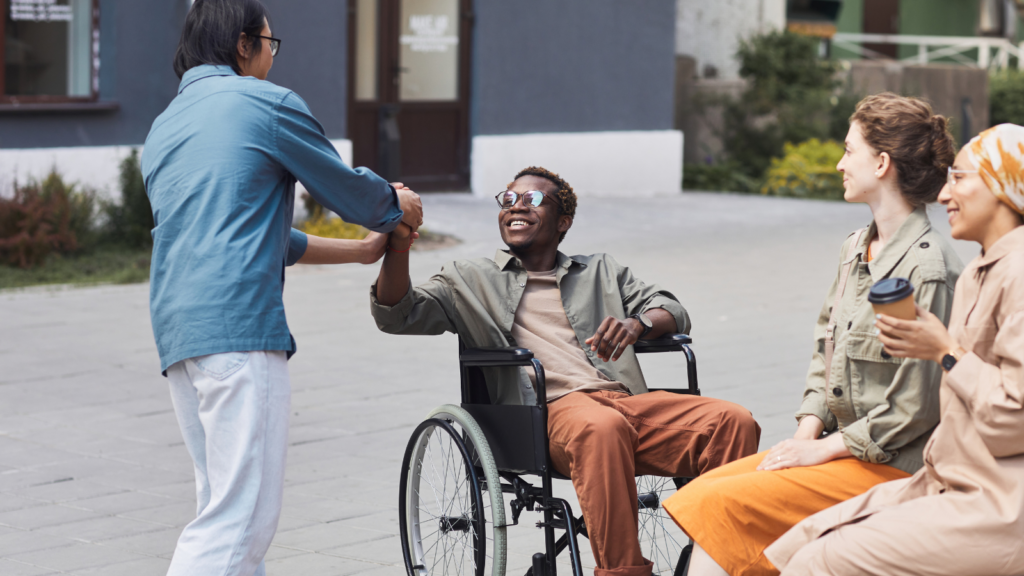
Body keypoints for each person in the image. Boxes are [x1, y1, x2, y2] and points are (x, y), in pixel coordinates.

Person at [141, 1, 421, 575]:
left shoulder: (165, 126)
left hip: (180, 336)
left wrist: (363, 252)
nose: (272, 56)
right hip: (238, 329)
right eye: (270, 43)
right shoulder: (267, 104)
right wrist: (398, 206)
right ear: (243, 44)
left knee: (222, 507)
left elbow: (255, 232)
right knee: (240, 522)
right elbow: (353, 197)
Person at [372, 166, 761, 576]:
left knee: (732, 421)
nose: (516, 206)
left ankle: (719, 561)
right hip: (546, 414)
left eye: (532, 199)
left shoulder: (601, 272)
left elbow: (673, 309)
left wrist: (638, 324)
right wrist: (399, 246)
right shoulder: (468, 278)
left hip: (622, 400)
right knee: (601, 427)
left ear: (563, 222)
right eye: (508, 199)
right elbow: (398, 314)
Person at [662, 93, 964, 576]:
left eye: (850, 150)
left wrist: (820, 450)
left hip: (895, 465)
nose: (840, 163)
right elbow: (827, 352)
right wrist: (802, 437)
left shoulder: (927, 269)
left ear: (882, 163)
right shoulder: (855, 248)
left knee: (723, 503)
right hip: (842, 449)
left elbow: (915, 408)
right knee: (708, 496)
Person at [766, 123, 1024, 576]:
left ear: (1004, 185)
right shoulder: (979, 270)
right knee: (794, 549)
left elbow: (1012, 420)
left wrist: (943, 350)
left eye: (960, 178)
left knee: (818, 562)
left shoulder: (1015, 274)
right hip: (944, 482)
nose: (943, 195)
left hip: (998, 502)